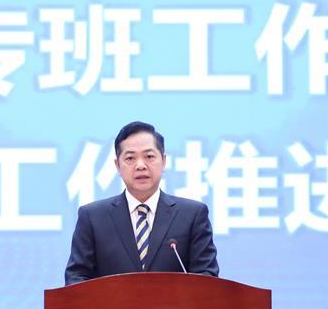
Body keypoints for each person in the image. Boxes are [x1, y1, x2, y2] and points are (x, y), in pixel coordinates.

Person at [64, 121, 219, 285]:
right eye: (130, 158)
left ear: (164, 161)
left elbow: (207, 279)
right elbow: (76, 278)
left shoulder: (193, 215)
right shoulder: (93, 217)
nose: (140, 166)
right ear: (117, 166)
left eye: (149, 157)